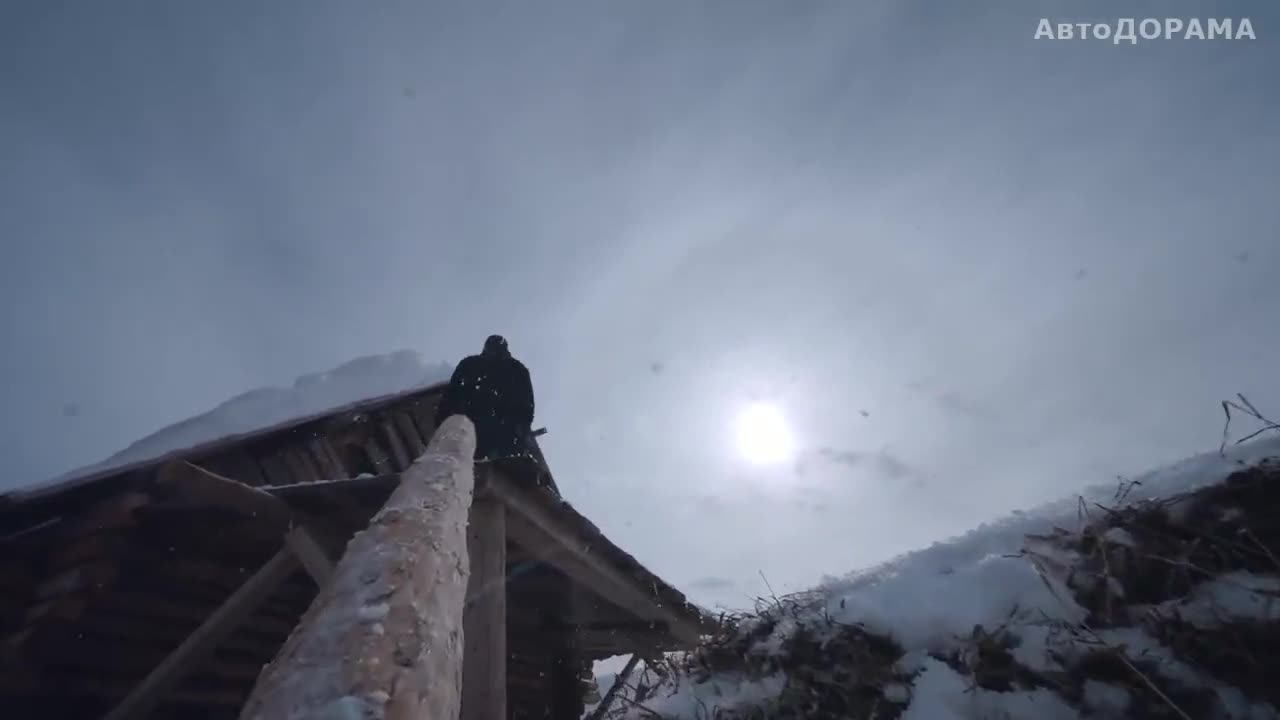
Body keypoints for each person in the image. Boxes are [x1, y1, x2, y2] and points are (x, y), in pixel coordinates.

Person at [434, 335, 535, 461]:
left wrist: (520, 430)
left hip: (500, 436)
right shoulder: (469, 365)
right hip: (470, 432)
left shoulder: (517, 370)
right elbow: (451, 395)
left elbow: (526, 406)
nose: (493, 354)